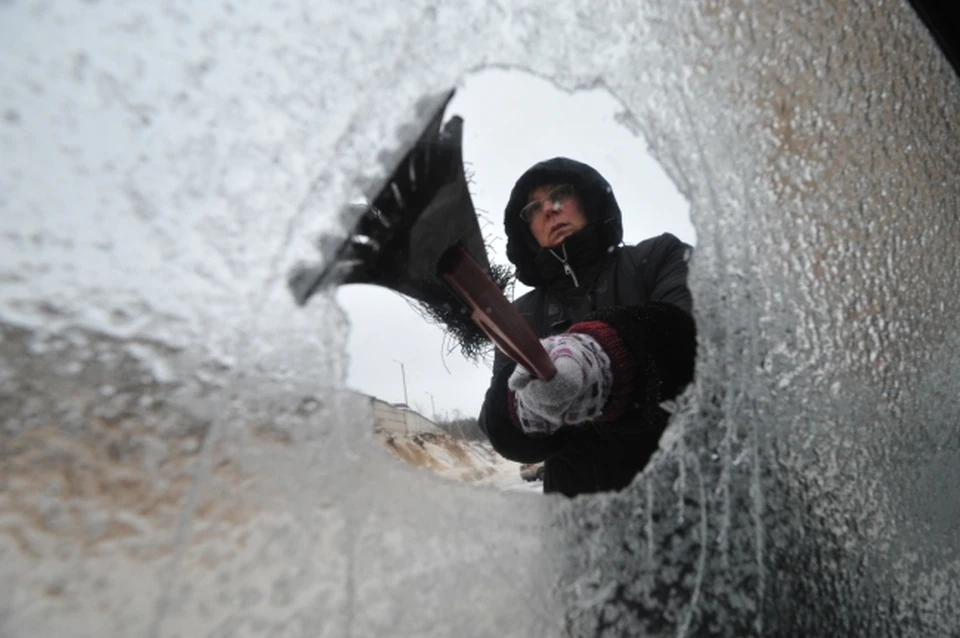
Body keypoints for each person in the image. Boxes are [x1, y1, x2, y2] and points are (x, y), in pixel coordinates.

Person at [477, 157, 697, 497]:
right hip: (577, 523)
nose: (549, 209)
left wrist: (600, 358)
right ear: (528, 231)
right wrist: (525, 410)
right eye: (533, 208)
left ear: (589, 201)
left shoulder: (658, 258)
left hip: (689, 502)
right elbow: (499, 428)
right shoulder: (517, 315)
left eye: (561, 193)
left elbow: (692, 339)